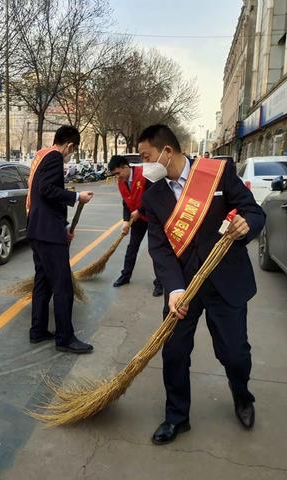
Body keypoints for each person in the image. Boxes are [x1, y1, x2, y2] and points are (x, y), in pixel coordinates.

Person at [138, 124, 265, 445]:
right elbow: (160, 247)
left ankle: (242, 396)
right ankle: (176, 417)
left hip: (226, 280)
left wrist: (246, 223)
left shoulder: (217, 174)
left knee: (235, 353)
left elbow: (254, 210)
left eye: (146, 156)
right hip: (183, 288)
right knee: (175, 353)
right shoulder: (153, 196)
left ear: (167, 152)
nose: (143, 165)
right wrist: (174, 288)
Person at [27, 125, 94, 354]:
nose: (70, 154)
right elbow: (47, 189)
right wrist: (76, 196)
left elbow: (43, 195)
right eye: (72, 151)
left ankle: (38, 330)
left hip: (38, 229)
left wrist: (64, 225)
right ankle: (65, 338)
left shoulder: (41, 155)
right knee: (63, 285)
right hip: (47, 232)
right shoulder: (55, 156)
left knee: (43, 282)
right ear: (70, 145)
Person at [108, 155, 163, 297]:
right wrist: (126, 220)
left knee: (155, 249)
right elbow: (126, 202)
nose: (117, 177)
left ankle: (160, 283)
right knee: (132, 247)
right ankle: (125, 276)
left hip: (153, 218)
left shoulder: (145, 174)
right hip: (137, 220)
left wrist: (140, 211)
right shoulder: (122, 182)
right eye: (115, 175)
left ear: (125, 167)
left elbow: (154, 197)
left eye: (118, 173)